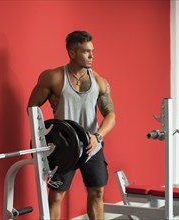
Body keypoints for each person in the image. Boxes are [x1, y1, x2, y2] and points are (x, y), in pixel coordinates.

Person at [27, 30, 115, 219]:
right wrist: (45, 138)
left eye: (92, 51)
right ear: (72, 53)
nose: (92, 55)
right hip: (64, 147)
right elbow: (32, 108)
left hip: (93, 144)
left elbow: (111, 115)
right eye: (86, 51)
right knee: (57, 195)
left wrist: (98, 136)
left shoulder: (99, 81)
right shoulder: (53, 77)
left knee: (97, 192)